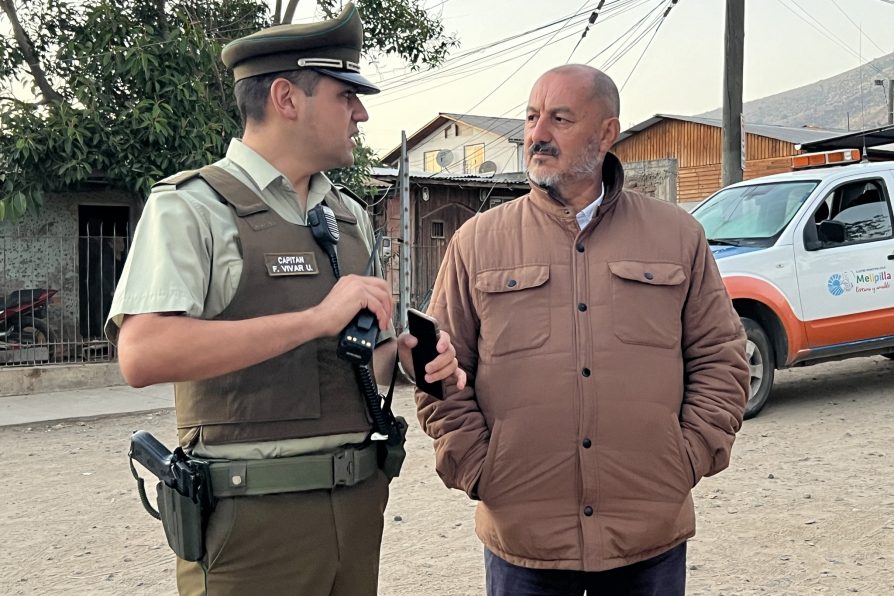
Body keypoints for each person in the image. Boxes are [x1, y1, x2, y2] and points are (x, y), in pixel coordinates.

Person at [105, 4, 464, 595]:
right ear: (286, 98)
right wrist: (315, 319)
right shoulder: (194, 207)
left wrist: (403, 356)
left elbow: (345, 362)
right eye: (345, 94)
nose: (362, 112)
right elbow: (143, 353)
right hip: (250, 523)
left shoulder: (347, 216)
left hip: (355, 505)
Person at [415, 64, 749, 596]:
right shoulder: (477, 243)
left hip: (648, 535)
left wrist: (685, 456)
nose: (537, 134)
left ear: (606, 133)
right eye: (531, 117)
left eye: (559, 119)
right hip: (525, 540)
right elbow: (438, 373)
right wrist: (480, 467)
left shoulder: (677, 236)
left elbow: (722, 358)